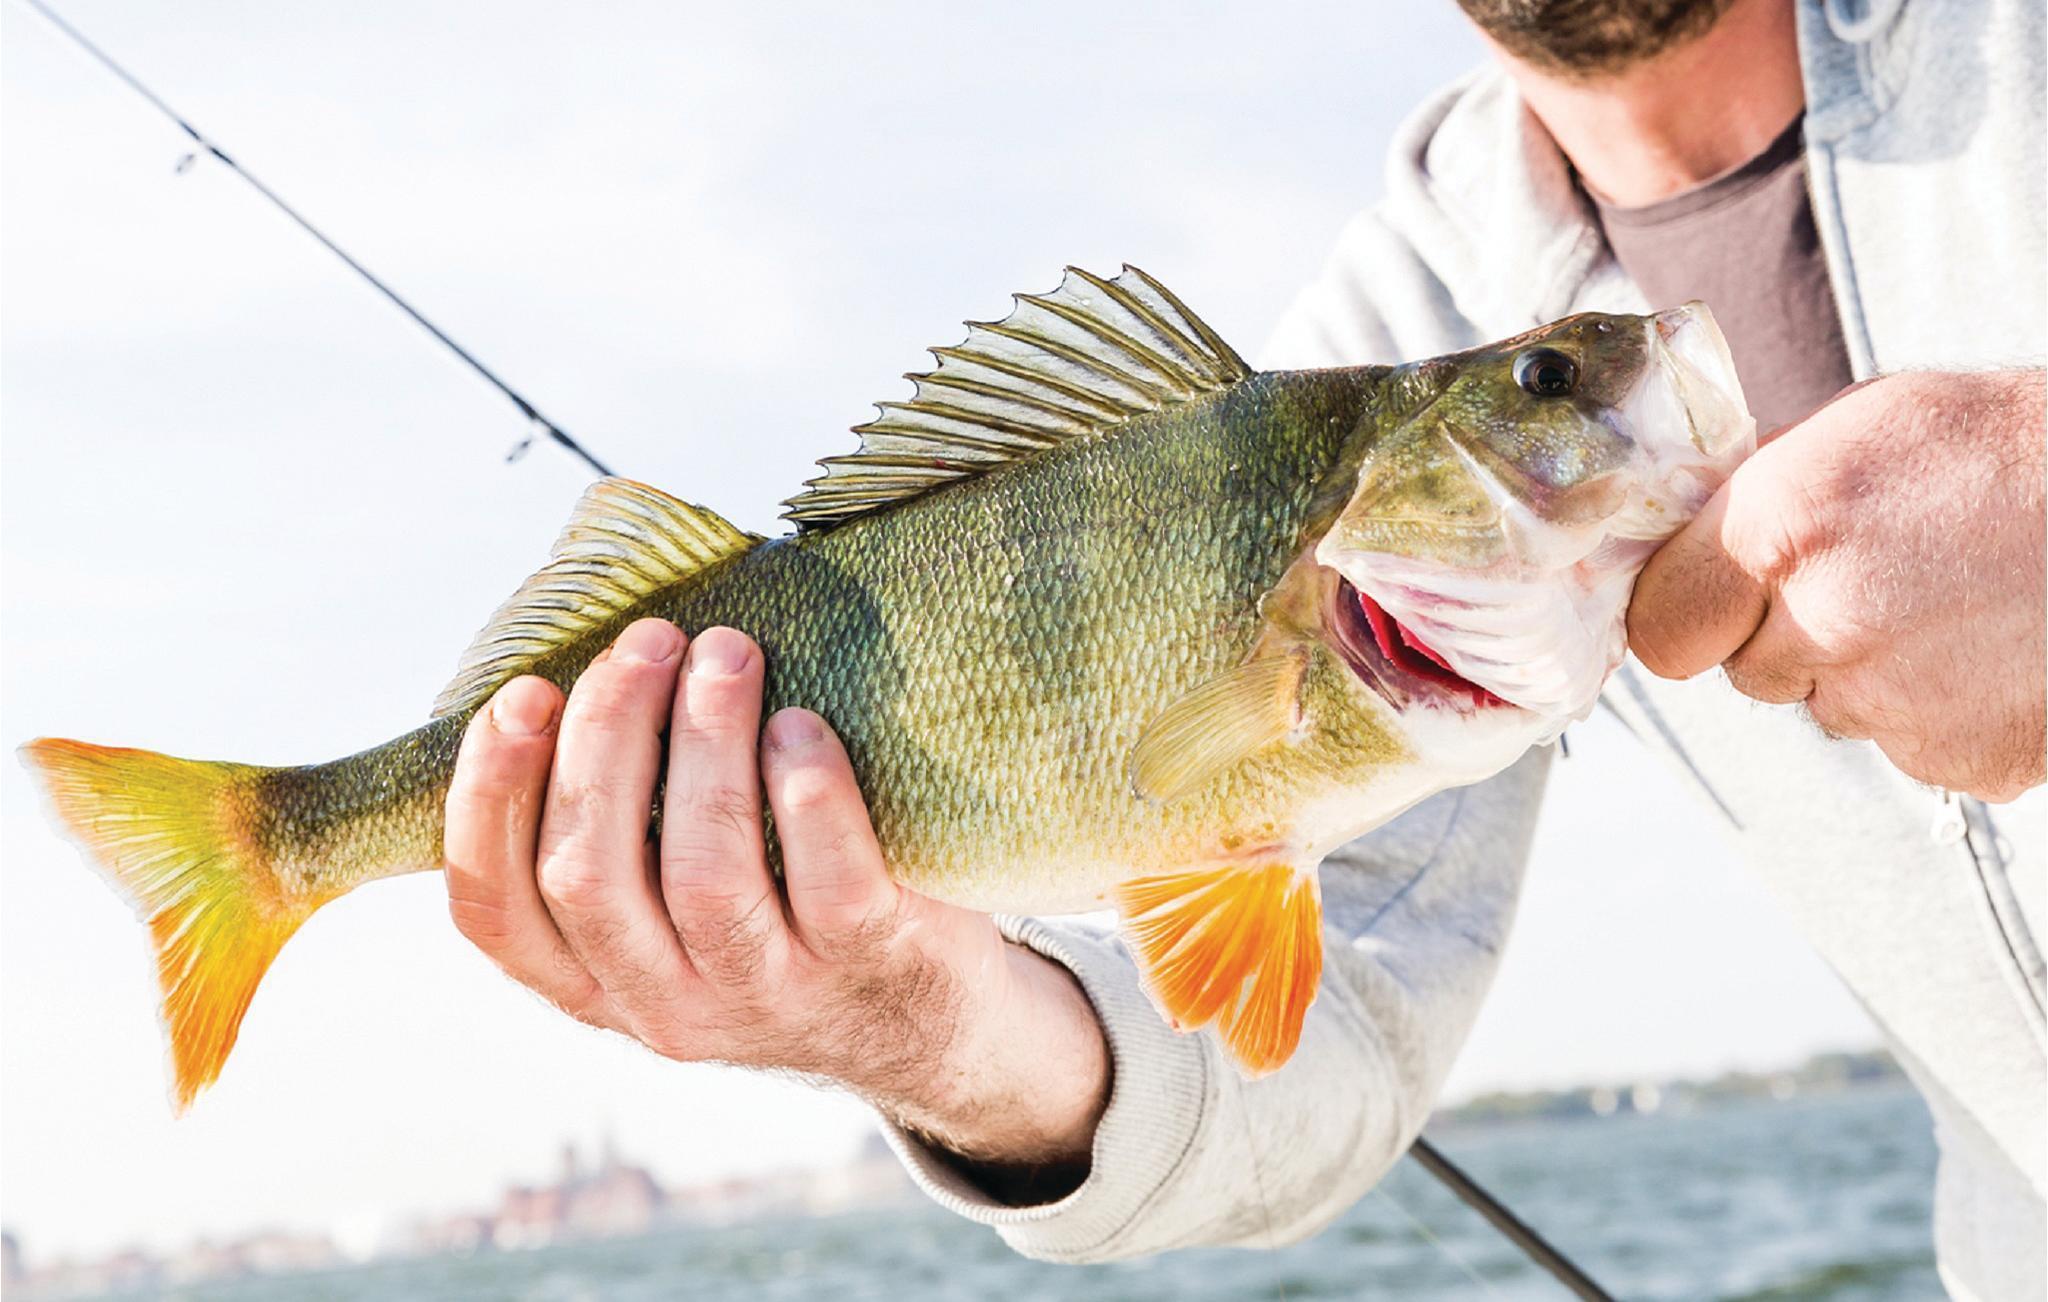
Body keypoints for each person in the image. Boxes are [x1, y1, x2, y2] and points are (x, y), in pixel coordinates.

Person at [437, 0, 2045, 1295]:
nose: (1562, 392)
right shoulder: (1388, 340)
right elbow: (1325, 1034)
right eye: (1546, 385)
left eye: (1545, 386)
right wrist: (920, 1020)